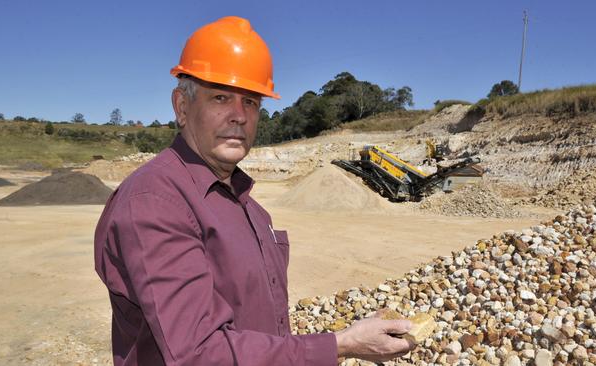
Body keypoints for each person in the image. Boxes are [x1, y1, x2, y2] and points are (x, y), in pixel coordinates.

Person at [94, 16, 416, 365]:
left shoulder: (247, 205)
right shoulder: (156, 202)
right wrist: (339, 344)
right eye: (221, 97)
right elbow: (197, 355)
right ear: (182, 107)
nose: (239, 116)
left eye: (251, 102)